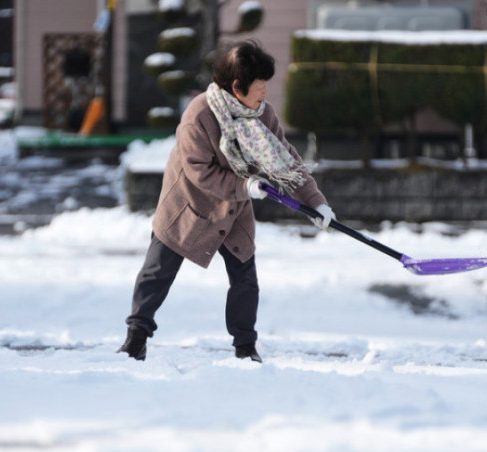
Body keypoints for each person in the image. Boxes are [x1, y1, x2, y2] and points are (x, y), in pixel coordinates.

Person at [118, 39, 336, 362]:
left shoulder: (262, 115)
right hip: (188, 205)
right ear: (237, 87)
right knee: (158, 270)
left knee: (245, 275)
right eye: (259, 87)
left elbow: (288, 161)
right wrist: (244, 186)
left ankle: (246, 347)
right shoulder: (199, 116)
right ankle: (136, 337)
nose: (265, 94)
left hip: (233, 209)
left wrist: (316, 203)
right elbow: (199, 172)